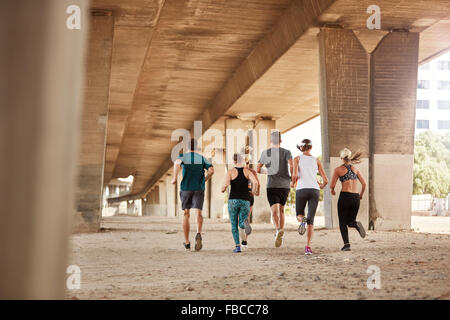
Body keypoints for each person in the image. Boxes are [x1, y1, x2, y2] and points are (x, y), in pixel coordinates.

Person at [171, 138, 214, 251]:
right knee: (198, 212)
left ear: (187, 147)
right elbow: (211, 171)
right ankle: (198, 233)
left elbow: (177, 163)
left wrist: (175, 177)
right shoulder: (202, 158)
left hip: (186, 188)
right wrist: (205, 179)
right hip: (199, 188)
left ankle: (187, 242)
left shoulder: (183, 156)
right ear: (197, 147)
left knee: (186, 213)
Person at [257, 131, 293, 247]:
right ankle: (281, 230)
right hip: (285, 185)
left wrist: (268, 171)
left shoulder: (265, 153)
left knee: (274, 212)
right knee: (282, 211)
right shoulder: (287, 152)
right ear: (281, 141)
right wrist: (292, 179)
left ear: (270, 141)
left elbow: (258, 169)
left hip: (272, 185)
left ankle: (278, 230)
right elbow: (292, 166)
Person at [291, 139, 328, 255]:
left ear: (301, 148)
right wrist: (321, 185)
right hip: (314, 190)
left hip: (301, 189)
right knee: (311, 221)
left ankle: (302, 220)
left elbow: (295, 174)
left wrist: (293, 183)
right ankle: (308, 247)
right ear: (311, 148)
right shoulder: (316, 160)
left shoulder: (297, 158)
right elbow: (325, 180)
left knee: (299, 215)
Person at [329, 148, 367, 251]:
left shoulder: (338, 169)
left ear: (341, 158)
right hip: (355, 198)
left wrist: (332, 190)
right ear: (349, 157)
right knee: (350, 221)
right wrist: (361, 195)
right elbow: (364, 183)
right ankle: (355, 224)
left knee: (342, 222)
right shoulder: (355, 169)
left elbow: (332, 185)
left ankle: (347, 245)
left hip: (345, 197)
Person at [222, 153, 259, 253]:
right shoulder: (247, 171)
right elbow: (255, 182)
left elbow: (224, 185)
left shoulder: (230, 172)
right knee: (242, 221)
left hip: (233, 200)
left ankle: (237, 247)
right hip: (245, 200)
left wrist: (223, 189)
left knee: (234, 225)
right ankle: (244, 224)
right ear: (242, 160)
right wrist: (253, 191)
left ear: (233, 161)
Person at [242, 157, 260, 249]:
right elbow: (257, 183)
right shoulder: (252, 171)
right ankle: (245, 241)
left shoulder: (236, 171)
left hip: (239, 196)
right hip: (250, 196)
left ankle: (242, 238)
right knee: (246, 217)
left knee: (239, 218)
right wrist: (255, 192)